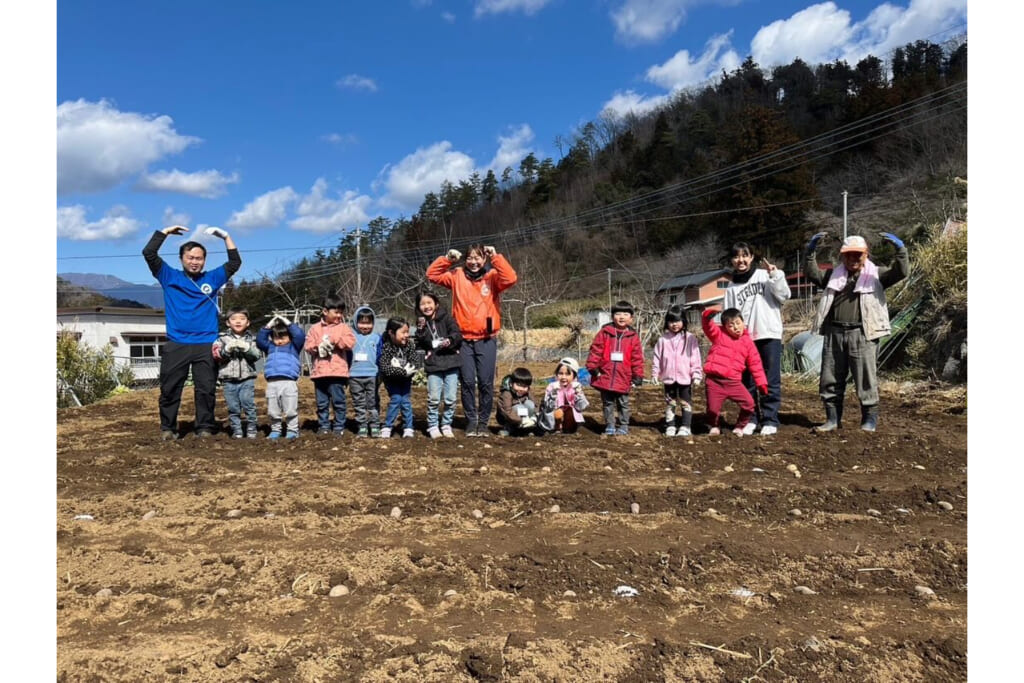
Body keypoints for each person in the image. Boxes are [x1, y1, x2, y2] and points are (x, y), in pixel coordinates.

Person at [142, 224, 240, 439]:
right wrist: (164, 232)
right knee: (170, 389)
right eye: (190, 258)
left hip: (206, 343)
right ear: (181, 259)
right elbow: (149, 253)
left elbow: (235, 263)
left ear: (204, 260)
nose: (195, 262)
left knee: (205, 390)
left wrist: (226, 236)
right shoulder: (168, 276)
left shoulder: (212, 278)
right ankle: (168, 428)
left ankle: (204, 426)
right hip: (177, 343)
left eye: (199, 258)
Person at [804, 232, 909, 431]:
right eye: (848, 254)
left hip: (863, 333)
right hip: (835, 332)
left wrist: (900, 250)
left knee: (865, 379)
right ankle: (832, 420)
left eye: (857, 254)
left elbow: (901, 272)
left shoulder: (876, 275)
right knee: (830, 378)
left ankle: (869, 421)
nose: (853, 259)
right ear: (842, 256)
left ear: (866, 255)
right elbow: (811, 273)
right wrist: (810, 252)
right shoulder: (832, 276)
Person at [426, 244, 517, 437]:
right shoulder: (456, 275)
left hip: (486, 339)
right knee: (467, 382)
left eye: (478, 258)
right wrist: (448, 259)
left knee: (485, 382)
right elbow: (432, 275)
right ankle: (471, 421)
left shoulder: (493, 276)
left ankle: (483, 423)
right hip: (463, 339)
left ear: (484, 260)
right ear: (465, 260)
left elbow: (511, 278)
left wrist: (496, 257)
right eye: (470, 258)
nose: (474, 262)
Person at [723, 242, 791, 436]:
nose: (741, 260)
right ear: (732, 260)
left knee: (770, 379)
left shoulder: (764, 276)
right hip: (744, 339)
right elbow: (728, 316)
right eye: (736, 257)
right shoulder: (731, 286)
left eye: (745, 255)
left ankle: (770, 419)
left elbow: (785, 295)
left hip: (768, 334)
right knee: (748, 381)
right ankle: (751, 418)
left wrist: (776, 276)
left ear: (752, 257)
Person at [701, 308, 768, 436]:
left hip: (733, 382)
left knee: (749, 404)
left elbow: (756, 364)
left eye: (738, 323)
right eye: (730, 325)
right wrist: (707, 316)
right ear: (725, 327)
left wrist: (761, 383)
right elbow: (708, 327)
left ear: (743, 322)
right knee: (712, 410)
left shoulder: (748, 343)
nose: (736, 328)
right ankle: (714, 426)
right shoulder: (719, 334)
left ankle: (739, 427)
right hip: (714, 381)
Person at [586, 300, 645, 436]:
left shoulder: (633, 337)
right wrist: (593, 368)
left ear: (631, 318)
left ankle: (624, 425)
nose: (622, 317)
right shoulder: (605, 333)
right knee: (607, 403)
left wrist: (638, 375)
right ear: (612, 316)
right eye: (618, 313)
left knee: (623, 403)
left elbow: (637, 358)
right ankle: (610, 425)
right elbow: (595, 350)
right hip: (605, 375)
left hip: (623, 376)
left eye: (626, 314)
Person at [303, 295, 356, 436]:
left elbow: (350, 343)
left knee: (339, 401)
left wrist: (335, 340)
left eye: (341, 312)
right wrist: (318, 346)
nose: (339, 315)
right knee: (322, 403)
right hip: (319, 373)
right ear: (325, 312)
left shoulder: (344, 328)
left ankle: (339, 426)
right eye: (336, 312)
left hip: (337, 373)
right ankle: (324, 426)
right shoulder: (314, 329)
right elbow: (307, 346)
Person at [413, 291, 463, 439]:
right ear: (418, 307)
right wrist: (421, 330)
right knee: (434, 397)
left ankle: (446, 424)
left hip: (451, 362)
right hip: (434, 364)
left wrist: (450, 340)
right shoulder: (422, 323)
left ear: (436, 304)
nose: (426, 306)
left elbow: (457, 334)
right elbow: (420, 342)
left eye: (429, 303)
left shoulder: (447, 318)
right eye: (422, 304)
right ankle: (433, 425)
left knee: (450, 398)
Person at [651, 305, 703, 437]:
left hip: (685, 378)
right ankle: (671, 425)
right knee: (670, 403)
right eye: (671, 321)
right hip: (668, 378)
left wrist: (696, 374)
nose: (674, 324)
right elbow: (657, 358)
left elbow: (695, 357)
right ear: (667, 322)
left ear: (684, 321)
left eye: (678, 321)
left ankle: (685, 426)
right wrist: (655, 374)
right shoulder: (662, 340)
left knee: (685, 403)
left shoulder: (690, 338)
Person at [212, 308, 261, 439]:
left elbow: (257, 355)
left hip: (247, 378)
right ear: (228, 323)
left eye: (242, 319)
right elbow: (216, 355)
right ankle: (237, 430)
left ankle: (252, 428)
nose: (238, 321)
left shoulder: (252, 339)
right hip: (228, 379)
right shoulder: (222, 339)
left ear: (248, 322)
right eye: (233, 319)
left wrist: (247, 348)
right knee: (233, 407)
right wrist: (226, 350)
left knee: (248, 404)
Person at [255, 314, 306, 439]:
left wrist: (287, 323)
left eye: (283, 336)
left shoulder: (294, 347)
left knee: (290, 409)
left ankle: (292, 430)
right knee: (273, 410)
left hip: (289, 382)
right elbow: (260, 340)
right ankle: (275, 430)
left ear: (289, 336)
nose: (280, 340)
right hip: (272, 383)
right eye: (276, 337)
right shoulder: (270, 347)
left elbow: (299, 335)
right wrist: (268, 326)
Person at [377, 318, 417, 439]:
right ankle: (388, 426)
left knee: (405, 401)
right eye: (403, 332)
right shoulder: (387, 346)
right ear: (391, 332)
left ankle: (408, 427)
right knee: (396, 399)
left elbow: (414, 360)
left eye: (407, 332)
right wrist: (401, 371)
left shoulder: (409, 345)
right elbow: (385, 367)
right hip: (392, 380)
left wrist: (409, 370)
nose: (407, 335)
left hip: (405, 380)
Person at [349, 306, 382, 438]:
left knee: (373, 402)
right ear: (355, 322)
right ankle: (362, 426)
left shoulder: (377, 338)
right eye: (362, 322)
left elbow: (380, 356)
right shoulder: (351, 337)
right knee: (359, 402)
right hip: (354, 376)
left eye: (369, 322)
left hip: (372, 375)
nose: (365, 326)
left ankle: (374, 425)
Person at [538, 357, 589, 435]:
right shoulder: (552, 386)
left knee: (571, 410)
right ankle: (556, 428)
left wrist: (578, 393)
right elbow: (548, 407)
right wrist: (553, 394)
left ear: (574, 376)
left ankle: (568, 428)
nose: (563, 377)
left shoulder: (576, 387)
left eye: (568, 374)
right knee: (558, 412)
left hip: (569, 416)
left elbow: (581, 407)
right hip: (553, 417)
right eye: (560, 373)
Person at [496, 367, 538, 437]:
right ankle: (509, 428)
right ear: (512, 383)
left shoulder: (528, 392)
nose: (521, 389)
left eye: (524, 386)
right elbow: (507, 411)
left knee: (530, 404)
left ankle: (525, 428)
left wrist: (534, 417)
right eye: (518, 385)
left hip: (523, 416)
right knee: (520, 407)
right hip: (506, 417)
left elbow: (536, 405)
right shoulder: (506, 394)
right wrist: (521, 420)